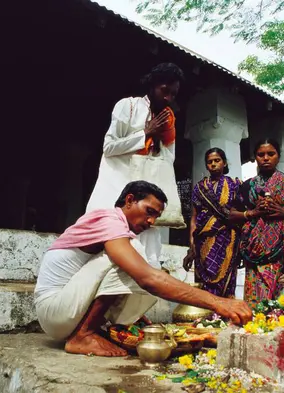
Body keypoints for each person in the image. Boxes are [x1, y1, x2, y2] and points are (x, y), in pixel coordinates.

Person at [35, 181, 252, 357]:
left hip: (64, 313)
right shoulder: (109, 220)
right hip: (54, 311)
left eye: (156, 216)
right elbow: (147, 278)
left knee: (135, 258)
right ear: (129, 200)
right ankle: (84, 334)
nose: (151, 221)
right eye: (149, 211)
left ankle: (91, 329)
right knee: (135, 256)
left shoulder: (114, 225)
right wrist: (217, 301)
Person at [86, 63, 184, 269]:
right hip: (115, 192)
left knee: (146, 259)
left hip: (145, 203)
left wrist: (157, 142)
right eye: (165, 91)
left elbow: (170, 160)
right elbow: (109, 147)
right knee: (108, 258)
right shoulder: (128, 106)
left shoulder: (169, 121)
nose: (168, 98)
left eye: (173, 94)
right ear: (152, 85)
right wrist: (145, 134)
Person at [234, 139, 284, 309]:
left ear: (278, 157)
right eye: (261, 154)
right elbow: (231, 215)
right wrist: (252, 213)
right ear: (255, 157)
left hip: (283, 248)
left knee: (282, 300)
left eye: (271, 154)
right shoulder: (247, 185)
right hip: (253, 248)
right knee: (256, 302)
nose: (266, 158)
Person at [184, 148, 242, 297]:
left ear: (224, 163)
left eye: (217, 160)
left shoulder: (235, 185)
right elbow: (194, 217)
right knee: (205, 278)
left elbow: (239, 213)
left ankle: (226, 314)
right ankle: (205, 316)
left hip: (228, 238)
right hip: (203, 239)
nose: (213, 164)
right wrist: (192, 243)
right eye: (210, 162)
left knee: (227, 277)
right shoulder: (200, 188)